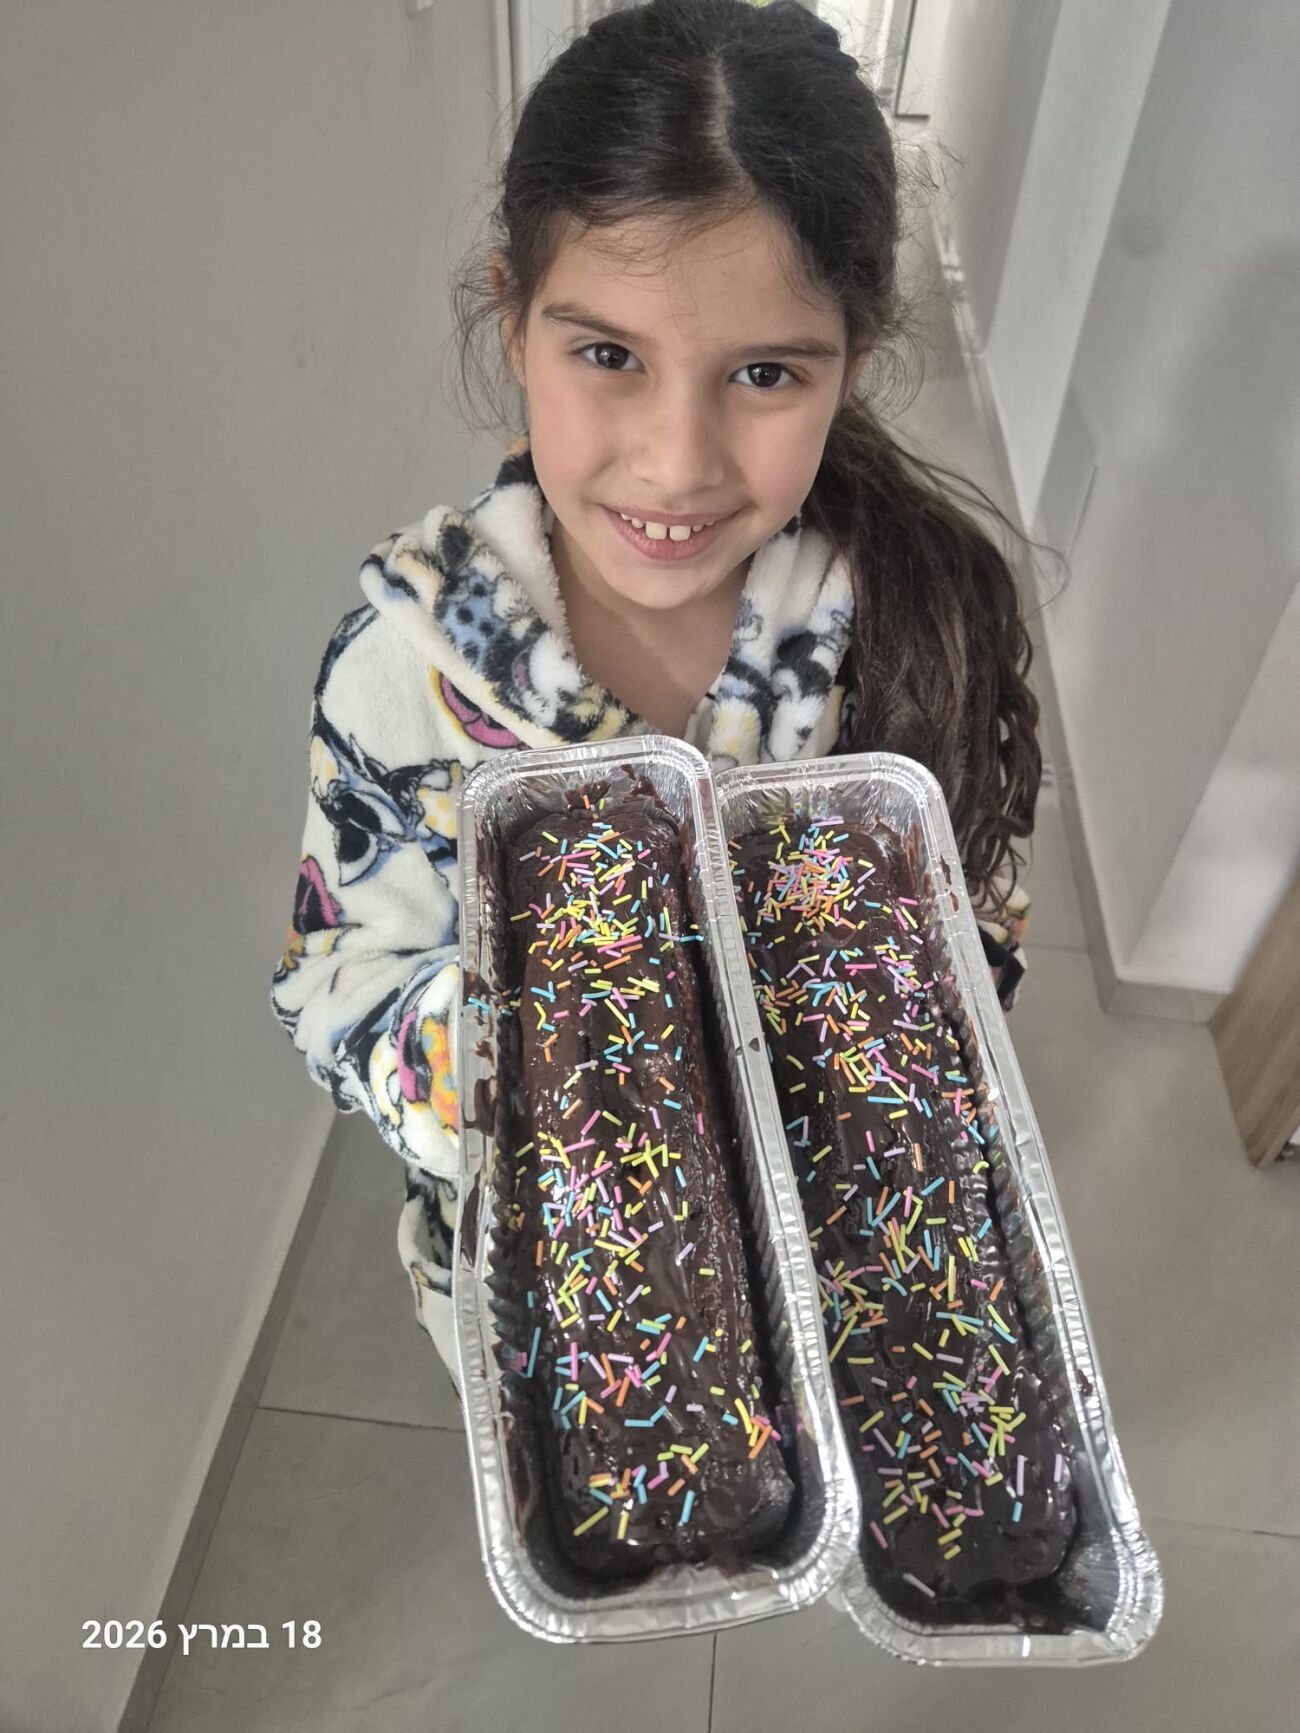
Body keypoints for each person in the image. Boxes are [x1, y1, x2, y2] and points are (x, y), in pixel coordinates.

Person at [269, 0, 1051, 1384]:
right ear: (514, 318)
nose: (678, 462)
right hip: (557, 1308)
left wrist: (888, 1051)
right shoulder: (400, 676)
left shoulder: (915, 625)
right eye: (609, 354)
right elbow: (339, 986)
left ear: (850, 362)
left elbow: (982, 916)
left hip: (829, 1290)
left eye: (764, 373)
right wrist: (561, 1082)